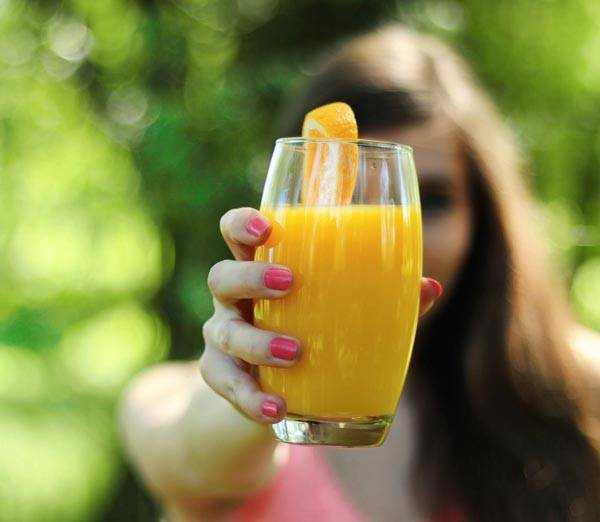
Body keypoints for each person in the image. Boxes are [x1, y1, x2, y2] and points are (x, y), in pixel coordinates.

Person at [118, 25, 600, 521]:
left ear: (483, 219)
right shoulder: (165, 398)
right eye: (343, 194)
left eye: (429, 199)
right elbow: (193, 463)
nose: (389, 235)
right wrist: (253, 398)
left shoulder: (580, 388)